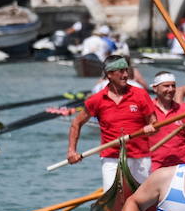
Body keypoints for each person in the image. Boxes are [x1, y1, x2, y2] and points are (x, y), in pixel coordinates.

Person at [67, 55, 156, 189]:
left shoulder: (140, 94)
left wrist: (152, 127)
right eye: (121, 71)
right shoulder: (96, 100)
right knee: (112, 195)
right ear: (109, 74)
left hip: (140, 156)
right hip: (112, 158)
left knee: (144, 200)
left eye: (126, 70)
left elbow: (154, 123)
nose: (126, 75)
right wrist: (72, 151)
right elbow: (76, 123)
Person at [148, 71, 185, 170]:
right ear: (155, 88)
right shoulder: (147, 110)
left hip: (181, 166)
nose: (171, 89)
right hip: (154, 166)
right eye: (166, 86)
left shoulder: (184, 110)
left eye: (173, 86)